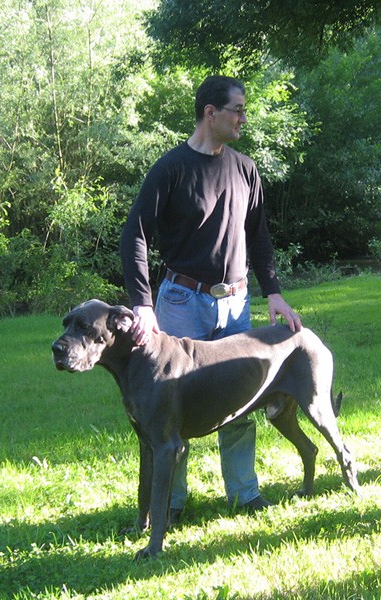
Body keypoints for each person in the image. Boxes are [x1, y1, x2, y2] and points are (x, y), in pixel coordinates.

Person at [119, 75, 303, 523]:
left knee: (239, 400)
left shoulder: (245, 168)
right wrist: (143, 302)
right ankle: (171, 503)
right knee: (167, 405)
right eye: (237, 109)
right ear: (210, 113)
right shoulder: (171, 169)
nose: (243, 117)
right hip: (182, 301)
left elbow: (259, 237)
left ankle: (243, 493)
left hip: (236, 303)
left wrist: (273, 291)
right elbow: (134, 235)